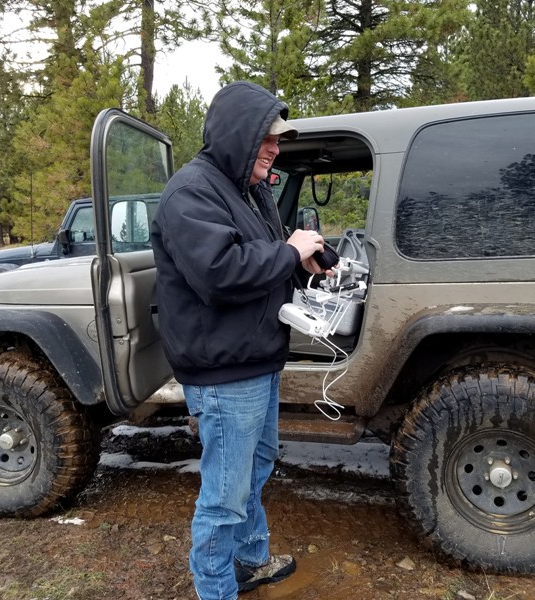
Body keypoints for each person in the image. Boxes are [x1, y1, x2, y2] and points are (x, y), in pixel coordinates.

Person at [150, 81, 329, 599]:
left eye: (278, 139)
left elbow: (268, 255)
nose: (275, 148)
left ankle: (249, 562)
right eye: (267, 138)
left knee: (254, 468)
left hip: (257, 359)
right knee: (224, 497)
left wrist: (311, 258)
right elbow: (219, 274)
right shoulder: (191, 192)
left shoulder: (249, 190)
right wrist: (289, 254)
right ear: (238, 135)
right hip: (224, 371)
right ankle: (215, 590)